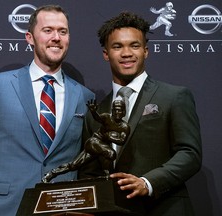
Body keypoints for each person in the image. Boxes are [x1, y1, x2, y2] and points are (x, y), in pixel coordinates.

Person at [0, 5, 94, 216]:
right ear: (30, 38)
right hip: (2, 209)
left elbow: (86, 165)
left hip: (60, 211)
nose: (56, 37)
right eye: (48, 30)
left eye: (62, 31)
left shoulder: (84, 96)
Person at [79, 11, 202, 216]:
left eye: (134, 45)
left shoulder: (174, 96)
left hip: (165, 208)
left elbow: (190, 154)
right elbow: (89, 171)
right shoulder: (97, 111)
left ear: (146, 51)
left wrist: (148, 182)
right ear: (106, 54)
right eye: (117, 46)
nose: (127, 53)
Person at [42, 99, 130, 183]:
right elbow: (98, 118)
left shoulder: (124, 127)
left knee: (74, 165)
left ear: (124, 112)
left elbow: (121, 141)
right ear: (112, 111)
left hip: (101, 147)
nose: (117, 113)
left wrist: (109, 137)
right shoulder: (107, 117)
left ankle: (51, 174)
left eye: (120, 110)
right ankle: (107, 175)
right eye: (115, 110)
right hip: (94, 142)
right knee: (111, 153)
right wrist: (93, 111)